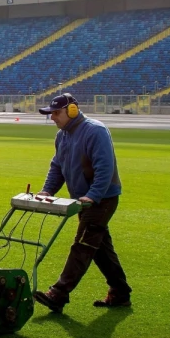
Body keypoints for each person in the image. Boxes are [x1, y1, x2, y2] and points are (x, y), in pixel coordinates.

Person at [33, 93, 131, 314]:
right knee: (99, 249)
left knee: (82, 245)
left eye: (56, 113)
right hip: (84, 200)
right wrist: (48, 189)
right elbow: (57, 166)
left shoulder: (95, 131)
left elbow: (105, 167)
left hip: (102, 199)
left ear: (72, 111)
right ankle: (120, 293)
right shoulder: (62, 136)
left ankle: (58, 294)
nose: (52, 118)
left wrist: (94, 195)